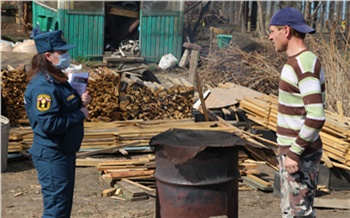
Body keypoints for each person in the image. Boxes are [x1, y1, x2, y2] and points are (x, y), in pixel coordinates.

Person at [24, 30, 91, 217]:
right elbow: (49, 124)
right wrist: (79, 114)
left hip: (63, 151)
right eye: (62, 53)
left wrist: (80, 101)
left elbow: (63, 105)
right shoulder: (43, 87)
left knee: (62, 206)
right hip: (52, 153)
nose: (67, 56)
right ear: (48, 56)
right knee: (56, 210)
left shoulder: (57, 78)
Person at [269, 7, 326, 218]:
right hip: (294, 152)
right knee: (294, 211)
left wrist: (294, 153)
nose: (270, 36)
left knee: (298, 214)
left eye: (273, 30)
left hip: (299, 155)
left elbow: (316, 116)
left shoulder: (303, 65)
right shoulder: (298, 63)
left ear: (286, 30)